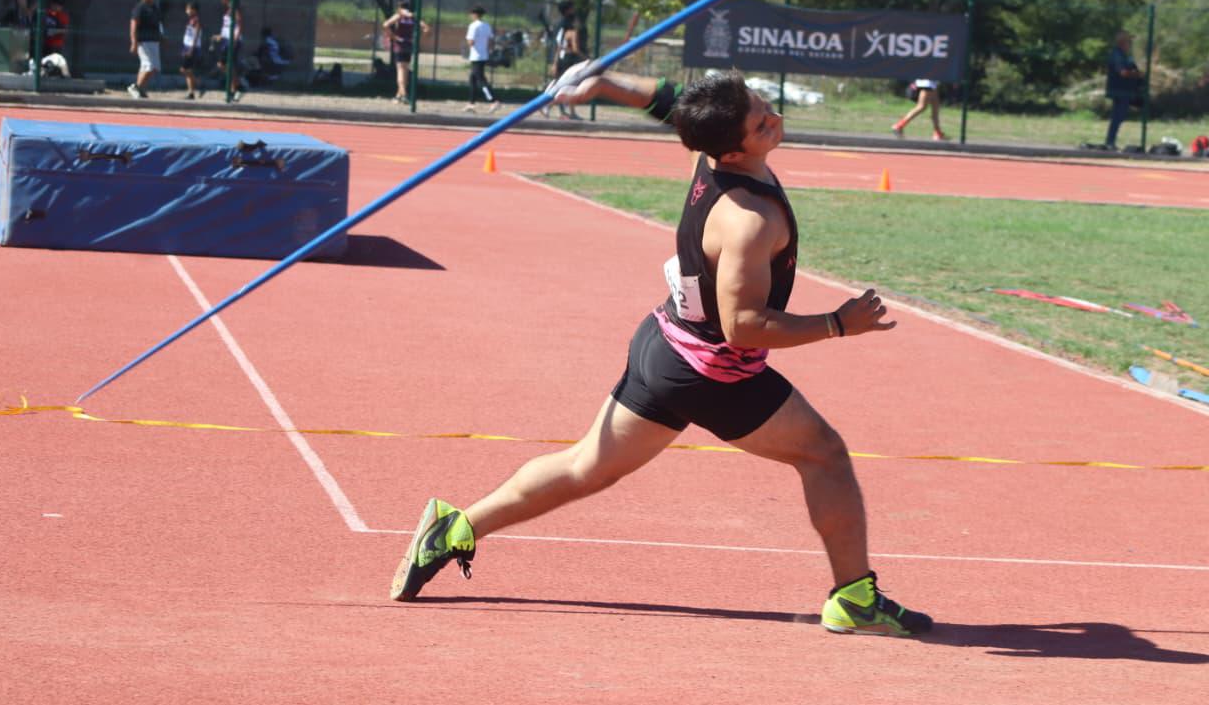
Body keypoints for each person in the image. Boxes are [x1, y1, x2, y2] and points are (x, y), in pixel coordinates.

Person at [389, 64, 934, 639]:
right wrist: (836, 324)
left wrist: (601, 82)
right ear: (733, 147)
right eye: (760, 121)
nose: (775, 117)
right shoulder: (748, 220)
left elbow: (672, 104)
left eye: (763, 104)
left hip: (665, 347)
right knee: (823, 454)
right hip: (714, 374)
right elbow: (745, 326)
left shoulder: (708, 149)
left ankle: (453, 528)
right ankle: (854, 599)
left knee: (584, 468)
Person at [382, 0, 429, 104]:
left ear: (399, 7)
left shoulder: (399, 15)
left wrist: (393, 37)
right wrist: (417, 38)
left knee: (400, 70)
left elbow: (385, 25)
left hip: (400, 45)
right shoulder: (413, 16)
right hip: (409, 44)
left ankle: (404, 94)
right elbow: (426, 28)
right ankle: (398, 96)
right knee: (405, 70)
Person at [1104, 31, 1142, 149]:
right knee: (1117, 116)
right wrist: (1134, 74)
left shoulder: (1127, 56)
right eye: (1128, 42)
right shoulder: (1117, 54)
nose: (1130, 44)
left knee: (1120, 116)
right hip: (1118, 90)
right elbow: (1123, 72)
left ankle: (1111, 141)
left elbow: (1133, 69)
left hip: (1126, 91)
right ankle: (1110, 142)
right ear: (1122, 42)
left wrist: (1137, 74)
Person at [550, 0, 587, 119]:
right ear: (568, 10)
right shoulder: (570, 29)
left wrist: (555, 63)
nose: (574, 10)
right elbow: (575, 49)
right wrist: (586, 58)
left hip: (561, 58)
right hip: (569, 59)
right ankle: (569, 111)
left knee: (560, 85)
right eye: (572, 8)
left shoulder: (558, 25)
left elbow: (558, 46)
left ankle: (562, 111)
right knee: (571, 86)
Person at [127, 0, 162, 99]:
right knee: (149, 65)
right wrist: (134, 42)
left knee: (153, 67)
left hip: (154, 41)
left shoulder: (154, 8)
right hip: (144, 42)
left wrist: (162, 38)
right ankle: (135, 87)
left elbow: (159, 25)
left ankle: (140, 89)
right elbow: (134, 25)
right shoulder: (140, 8)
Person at [463, 5, 500, 113]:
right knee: (473, 79)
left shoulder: (473, 26)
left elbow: (471, 42)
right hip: (483, 55)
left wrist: (468, 43)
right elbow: (491, 40)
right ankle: (471, 104)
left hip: (476, 56)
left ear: (475, 14)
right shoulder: (486, 25)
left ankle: (494, 101)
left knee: (481, 80)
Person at [212, 0, 245, 101]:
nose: (222, 0)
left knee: (224, 64)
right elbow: (227, 26)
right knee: (224, 65)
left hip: (232, 41)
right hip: (226, 40)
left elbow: (240, 24)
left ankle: (235, 88)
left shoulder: (234, 9)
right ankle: (236, 87)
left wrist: (235, 39)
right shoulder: (227, 10)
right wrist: (220, 36)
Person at [179, 2, 202, 100]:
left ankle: (196, 82)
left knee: (185, 69)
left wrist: (191, 49)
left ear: (194, 10)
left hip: (192, 47)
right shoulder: (190, 20)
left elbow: (196, 35)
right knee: (187, 70)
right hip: (186, 46)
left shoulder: (196, 20)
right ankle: (191, 92)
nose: (187, 11)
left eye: (189, 9)